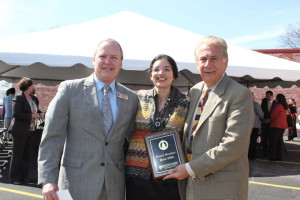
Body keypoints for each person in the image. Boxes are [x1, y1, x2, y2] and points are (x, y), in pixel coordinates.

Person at [38, 39, 138, 200]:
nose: (108, 61)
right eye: (102, 56)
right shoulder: (70, 90)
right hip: (75, 184)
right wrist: (48, 180)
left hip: (114, 186)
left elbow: (136, 139)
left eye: (114, 57)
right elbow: (52, 138)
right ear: (93, 60)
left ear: (121, 62)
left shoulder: (131, 98)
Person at [164, 36, 254, 200]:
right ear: (197, 63)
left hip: (222, 189)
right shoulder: (195, 91)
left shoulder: (240, 94)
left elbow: (233, 145)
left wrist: (191, 168)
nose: (207, 64)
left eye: (214, 59)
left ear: (225, 62)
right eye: (203, 59)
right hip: (190, 185)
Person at [125, 54, 189, 200]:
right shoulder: (138, 99)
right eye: (156, 69)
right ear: (151, 75)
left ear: (174, 75)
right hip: (136, 173)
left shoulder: (185, 103)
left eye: (167, 69)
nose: (161, 73)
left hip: (170, 175)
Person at [9, 78, 43, 185]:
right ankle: (15, 177)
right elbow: (16, 114)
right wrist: (32, 115)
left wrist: (40, 113)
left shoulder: (33, 98)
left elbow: (36, 110)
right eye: (32, 85)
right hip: (19, 131)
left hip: (31, 130)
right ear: (27, 86)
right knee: (18, 154)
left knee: (27, 154)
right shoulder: (18, 98)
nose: (33, 87)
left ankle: (24, 176)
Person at [269, 94, 288, 161]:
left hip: (276, 125)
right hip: (282, 126)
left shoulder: (278, 106)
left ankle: (273, 157)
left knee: (274, 142)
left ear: (278, 99)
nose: (275, 99)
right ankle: (279, 157)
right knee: (279, 142)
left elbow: (272, 116)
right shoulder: (284, 106)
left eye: (276, 98)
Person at [248, 93, 264, 160]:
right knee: (253, 141)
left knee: (247, 141)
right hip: (254, 125)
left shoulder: (243, 104)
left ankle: (247, 154)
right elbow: (261, 114)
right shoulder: (255, 104)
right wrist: (262, 119)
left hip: (246, 125)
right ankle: (252, 155)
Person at [261, 91, 276, 157]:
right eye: (266, 95)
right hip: (264, 123)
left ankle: (270, 152)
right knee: (264, 138)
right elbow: (262, 111)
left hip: (272, 123)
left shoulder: (275, 103)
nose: (267, 97)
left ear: (272, 96)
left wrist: (270, 119)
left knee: (271, 138)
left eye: (268, 95)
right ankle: (264, 152)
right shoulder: (264, 102)